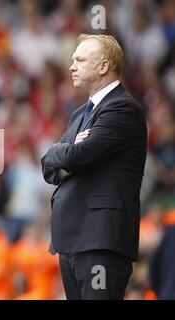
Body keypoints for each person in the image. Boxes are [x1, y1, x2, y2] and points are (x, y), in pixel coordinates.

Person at [41, 34, 147, 300]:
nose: (71, 67)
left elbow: (79, 156)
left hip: (101, 240)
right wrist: (66, 153)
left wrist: (66, 153)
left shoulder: (123, 108)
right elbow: (48, 167)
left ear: (103, 66)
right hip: (72, 239)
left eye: (79, 59)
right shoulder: (79, 114)